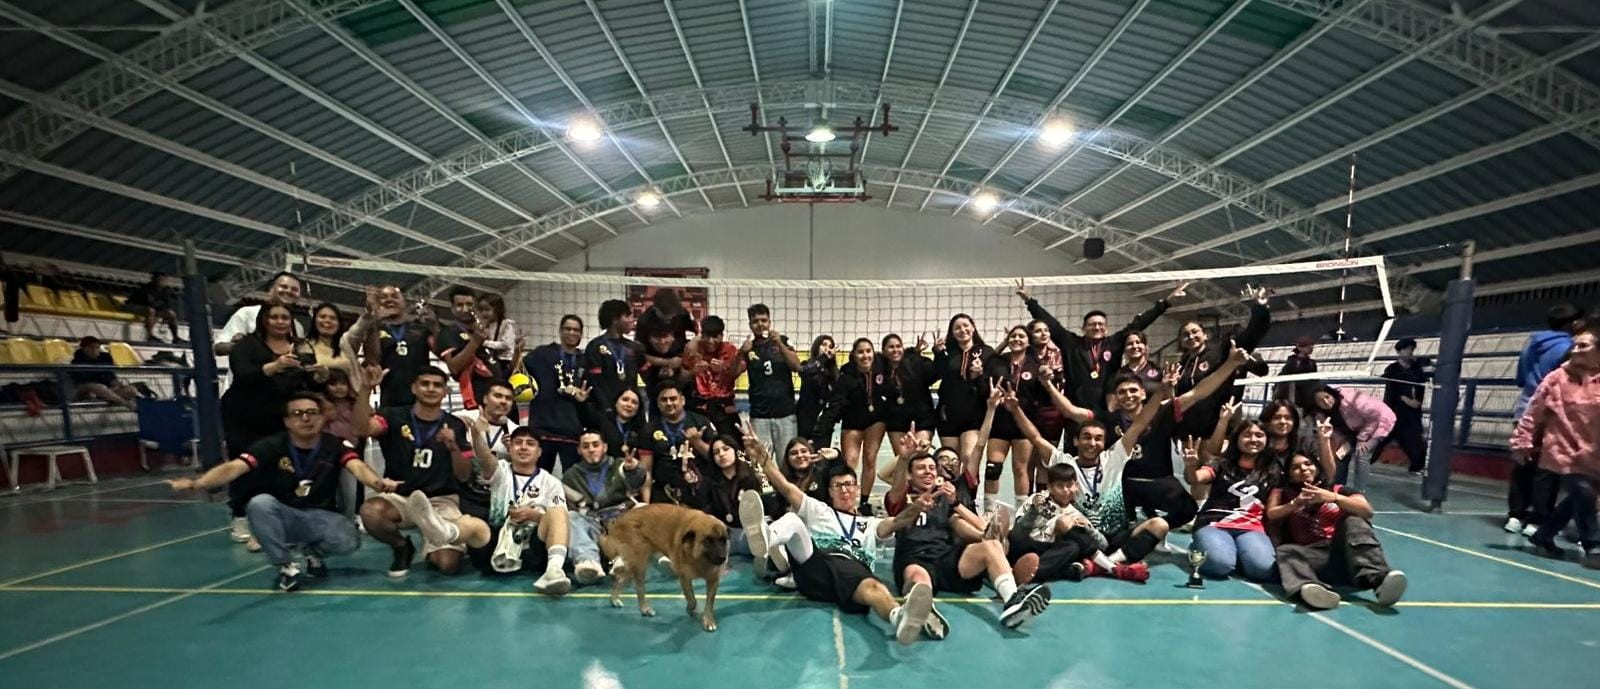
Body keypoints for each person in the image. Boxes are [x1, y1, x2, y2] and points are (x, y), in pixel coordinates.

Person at [168, 392, 393, 591]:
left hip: (319, 516)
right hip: (282, 516)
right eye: (298, 413)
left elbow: (357, 467)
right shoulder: (271, 446)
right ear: (287, 421)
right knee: (259, 504)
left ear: (322, 417)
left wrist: (377, 483)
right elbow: (234, 467)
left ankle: (313, 554)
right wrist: (199, 483)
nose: (306, 418)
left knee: (349, 540)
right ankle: (285, 566)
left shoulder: (333, 444)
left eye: (312, 412)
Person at [746, 438, 938, 646]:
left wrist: (916, 507)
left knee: (874, 587)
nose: (844, 490)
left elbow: (898, 521)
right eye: (838, 486)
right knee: (793, 520)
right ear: (829, 491)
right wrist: (763, 458)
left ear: (857, 489)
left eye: (848, 485)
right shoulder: (819, 510)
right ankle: (766, 538)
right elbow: (786, 487)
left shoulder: (870, 524)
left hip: (852, 571)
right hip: (814, 567)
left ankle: (898, 617)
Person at [886, 450, 1052, 634]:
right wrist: (903, 457)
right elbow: (896, 488)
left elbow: (980, 525)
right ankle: (924, 610)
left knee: (991, 546)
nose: (928, 472)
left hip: (945, 558)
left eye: (931, 468)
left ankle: (1013, 602)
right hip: (914, 558)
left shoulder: (943, 498)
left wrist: (955, 502)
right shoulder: (900, 498)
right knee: (918, 578)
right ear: (909, 475)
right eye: (921, 468)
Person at [352, 365, 491, 577]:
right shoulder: (393, 416)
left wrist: (453, 447)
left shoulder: (455, 425)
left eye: (437, 385)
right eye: (425, 383)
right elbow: (361, 429)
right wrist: (365, 390)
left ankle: (435, 539)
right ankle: (401, 547)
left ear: (445, 391)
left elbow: (463, 475)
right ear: (414, 388)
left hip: (440, 499)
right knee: (371, 512)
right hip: (402, 496)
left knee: (447, 566)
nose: (431, 389)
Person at [1015, 279, 1185, 414]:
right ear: (1083, 328)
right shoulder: (1071, 343)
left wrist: (1167, 302)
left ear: (1106, 328)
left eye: (1100, 324)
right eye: (1092, 324)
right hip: (1076, 407)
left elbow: (1139, 323)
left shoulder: (1115, 343)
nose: (1097, 327)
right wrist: (1029, 301)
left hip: (1108, 408)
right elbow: (1051, 323)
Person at [1268, 447, 1408, 610]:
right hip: (1316, 558)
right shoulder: (1285, 495)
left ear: (1316, 467)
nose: (1304, 469)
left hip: (1347, 553)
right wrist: (1295, 503)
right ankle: (1311, 591)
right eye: (1296, 467)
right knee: (1286, 551)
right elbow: (1272, 515)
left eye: (1308, 464)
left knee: (1353, 519)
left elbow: (1366, 510)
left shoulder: (1338, 489)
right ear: (1289, 474)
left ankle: (1379, 580)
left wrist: (1334, 498)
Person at [221, 303, 310, 551]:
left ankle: (273, 524)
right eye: (275, 317)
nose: (280, 322)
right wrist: (274, 366)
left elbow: (301, 381)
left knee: (279, 469)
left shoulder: (299, 346)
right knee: (245, 466)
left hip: (278, 417)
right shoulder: (247, 345)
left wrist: (315, 374)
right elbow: (243, 374)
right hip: (244, 416)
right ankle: (240, 517)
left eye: (285, 318)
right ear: (264, 320)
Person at [1510, 328, 1600, 568]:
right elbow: (1533, 412)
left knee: (1580, 497)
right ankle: (1594, 545)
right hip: (1562, 449)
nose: (1575, 350)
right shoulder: (1556, 378)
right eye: (1575, 345)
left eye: (1583, 346)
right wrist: (1522, 441)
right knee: (1584, 491)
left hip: (1594, 451)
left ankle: (1544, 534)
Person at [1504, 304, 1586, 535]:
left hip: (1524, 407)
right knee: (1547, 468)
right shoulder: (1570, 348)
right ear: (1573, 323)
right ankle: (1538, 520)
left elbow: (1521, 378)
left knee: (1523, 464)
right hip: (1551, 411)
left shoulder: (1531, 344)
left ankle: (1515, 515)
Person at [464, 425, 572, 595]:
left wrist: (536, 516)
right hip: (496, 544)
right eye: (518, 443)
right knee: (471, 523)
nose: (523, 447)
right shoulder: (500, 470)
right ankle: (443, 532)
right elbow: (485, 458)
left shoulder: (551, 482)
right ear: (510, 448)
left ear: (539, 452)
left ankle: (553, 571)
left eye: (530, 443)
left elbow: (560, 522)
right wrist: (476, 434)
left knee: (558, 512)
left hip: (532, 550)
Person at [1185, 416, 1282, 582]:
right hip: (1214, 523)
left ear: (1267, 440)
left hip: (1251, 528)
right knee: (1220, 566)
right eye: (1247, 435)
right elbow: (1194, 479)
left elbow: (1272, 510)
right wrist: (1191, 466)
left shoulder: (1273, 471)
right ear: (1236, 439)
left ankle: (1234, 553)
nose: (1253, 439)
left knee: (1262, 570)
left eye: (1259, 435)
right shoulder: (1221, 464)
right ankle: (1199, 547)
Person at [1172, 284, 1272, 437]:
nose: (1191, 337)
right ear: (1181, 341)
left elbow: (1252, 335)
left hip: (1215, 430)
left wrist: (1260, 307)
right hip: (1186, 433)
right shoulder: (1180, 366)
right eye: (1185, 335)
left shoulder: (1221, 351)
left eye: (1194, 332)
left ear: (1205, 335)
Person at [561, 430, 647, 584]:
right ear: (579, 450)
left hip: (621, 518)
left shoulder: (620, 465)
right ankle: (588, 563)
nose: (591, 449)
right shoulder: (570, 476)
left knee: (643, 508)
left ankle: (623, 560)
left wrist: (633, 470)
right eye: (586, 446)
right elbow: (573, 507)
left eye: (596, 445)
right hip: (593, 523)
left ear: (605, 447)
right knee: (571, 517)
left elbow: (636, 483)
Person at [984, 325, 1044, 506]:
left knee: (1020, 469)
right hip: (1000, 422)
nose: (1016, 339)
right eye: (1013, 336)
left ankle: (1020, 513)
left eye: (1021, 336)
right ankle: (988, 511)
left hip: (1023, 422)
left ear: (1028, 342)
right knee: (992, 468)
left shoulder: (1036, 365)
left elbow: (1041, 396)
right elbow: (985, 360)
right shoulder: (998, 361)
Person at [677, 434, 763, 558]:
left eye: (726, 449)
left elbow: (770, 502)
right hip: (725, 537)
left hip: (750, 533)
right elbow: (699, 505)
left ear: (736, 451)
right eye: (716, 452)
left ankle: (766, 563)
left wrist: (762, 473)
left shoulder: (753, 474)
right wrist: (688, 482)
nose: (721, 454)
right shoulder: (709, 481)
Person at [525, 315, 589, 473]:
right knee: (539, 476)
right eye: (567, 329)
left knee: (573, 479)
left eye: (576, 330)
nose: (572, 333)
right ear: (560, 331)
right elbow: (517, 373)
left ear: (581, 334)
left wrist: (584, 398)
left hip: (571, 430)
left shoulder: (585, 360)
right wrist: (515, 350)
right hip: (543, 427)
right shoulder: (541, 354)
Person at [634, 381, 714, 504]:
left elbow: (717, 458)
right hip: (664, 492)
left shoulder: (700, 422)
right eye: (664, 400)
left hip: (698, 490)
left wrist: (698, 443)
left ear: (682, 400)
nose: (669, 403)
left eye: (673, 399)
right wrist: (646, 504)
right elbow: (646, 471)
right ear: (658, 404)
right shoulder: (649, 429)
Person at [453, 380, 520, 520]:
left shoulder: (516, 432)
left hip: (495, 493)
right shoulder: (462, 418)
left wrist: (513, 453)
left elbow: (522, 470)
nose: (503, 401)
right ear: (485, 399)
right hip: (462, 487)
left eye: (508, 398)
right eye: (498, 396)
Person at [1307, 385, 1394, 492]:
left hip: (1380, 423)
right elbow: (1339, 433)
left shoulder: (1352, 399)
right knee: (1340, 455)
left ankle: (1359, 492)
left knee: (1361, 453)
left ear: (1332, 394)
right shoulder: (1323, 414)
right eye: (1320, 401)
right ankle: (1338, 488)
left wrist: (1362, 439)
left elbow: (1376, 417)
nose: (1325, 401)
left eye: (1327, 397)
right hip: (1354, 432)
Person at [361, 285, 436, 408]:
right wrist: (373, 319)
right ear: (378, 303)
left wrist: (434, 326)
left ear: (404, 301)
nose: (389, 300)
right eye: (383, 297)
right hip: (390, 400)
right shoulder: (375, 328)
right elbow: (373, 361)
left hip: (422, 398)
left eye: (395, 296)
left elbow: (440, 353)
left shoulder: (420, 326)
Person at [742, 304, 802, 453]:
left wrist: (780, 345)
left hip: (785, 414)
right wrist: (740, 353)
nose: (760, 324)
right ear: (750, 325)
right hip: (759, 415)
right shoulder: (749, 347)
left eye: (764, 320)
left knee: (787, 463)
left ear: (769, 322)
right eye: (755, 321)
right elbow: (732, 374)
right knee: (761, 465)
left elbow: (796, 366)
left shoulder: (783, 341)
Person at [837, 338, 887, 510]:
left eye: (868, 351)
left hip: (876, 419)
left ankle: (864, 502)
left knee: (870, 458)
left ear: (873, 353)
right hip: (852, 420)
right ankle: (847, 501)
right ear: (854, 355)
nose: (865, 355)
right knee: (849, 462)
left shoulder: (881, 366)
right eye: (860, 352)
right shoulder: (847, 373)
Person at [932, 314, 993, 452]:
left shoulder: (987, 352)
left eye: (966, 325)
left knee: (968, 457)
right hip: (948, 414)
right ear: (952, 333)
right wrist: (938, 354)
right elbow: (937, 374)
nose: (962, 330)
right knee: (950, 460)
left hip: (974, 414)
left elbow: (989, 384)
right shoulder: (947, 353)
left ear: (973, 328)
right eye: (957, 328)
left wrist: (979, 376)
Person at [683, 316, 743, 442]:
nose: (711, 341)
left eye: (715, 336)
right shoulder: (694, 349)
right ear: (702, 335)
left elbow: (736, 373)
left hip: (724, 404)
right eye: (707, 336)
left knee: (735, 444)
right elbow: (680, 378)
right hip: (699, 405)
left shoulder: (730, 350)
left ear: (722, 335)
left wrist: (724, 368)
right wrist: (694, 371)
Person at [214, 271, 303, 356]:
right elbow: (218, 348)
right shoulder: (247, 313)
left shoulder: (297, 326)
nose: (289, 291)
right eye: (284, 286)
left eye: (294, 289)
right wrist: (244, 346)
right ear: (271, 290)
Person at [436, 286, 493, 412]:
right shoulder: (448, 332)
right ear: (452, 308)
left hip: (500, 392)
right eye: (459, 305)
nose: (465, 309)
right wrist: (475, 342)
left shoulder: (484, 328)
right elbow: (454, 367)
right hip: (478, 397)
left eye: (469, 304)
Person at [879, 333, 936, 460]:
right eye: (891, 347)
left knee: (919, 456)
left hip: (922, 419)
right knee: (902, 459)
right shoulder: (880, 368)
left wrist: (937, 352)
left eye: (898, 346)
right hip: (897, 421)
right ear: (883, 351)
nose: (895, 350)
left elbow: (936, 372)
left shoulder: (915, 363)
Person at [1380, 338, 1432, 475]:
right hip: (1394, 412)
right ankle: (1363, 461)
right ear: (1400, 351)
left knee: (1415, 442)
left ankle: (1416, 467)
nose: (1410, 352)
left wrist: (1417, 402)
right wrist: (1405, 399)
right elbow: (1392, 390)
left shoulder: (1417, 368)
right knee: (1380, 440)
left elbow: (1422, 386)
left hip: (1412, 414)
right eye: (1407, 349)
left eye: (1412, 349)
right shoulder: (1392, 369)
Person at [585, 299, 643, 417]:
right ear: (615, 319)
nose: (632, 320)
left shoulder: (635, 347)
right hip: (605, 411)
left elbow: (647, 375)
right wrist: (606, 408)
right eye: (627, 316)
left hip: (630, 409)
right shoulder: (595, 346)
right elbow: (596, 383)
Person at [68, 336, 142, 411]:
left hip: (106, 390)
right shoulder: (77, 361)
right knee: (98, 387)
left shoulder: (105, 358)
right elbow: (82, 380)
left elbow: (109, 376)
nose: (94, 350)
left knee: (131, 390)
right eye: (91, 347)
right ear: (83, 348)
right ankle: (125, 403)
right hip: (84, 388)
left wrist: (116, 382)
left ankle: (105, 396)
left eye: (97, 348)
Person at [797, 335, 844, 447]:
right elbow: (805, 372)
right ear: (817, 346)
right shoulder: (806, 365)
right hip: (805, 421)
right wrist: (823, 358)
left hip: (824, 424)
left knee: (822, 458)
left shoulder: (835, 374)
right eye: (824, 345)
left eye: (830, 346)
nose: (827, 349)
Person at [297, 303, 354, 390]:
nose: (327, 321)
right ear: (314, 321)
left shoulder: (346, 345)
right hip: (318, 397)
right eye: (323, 317)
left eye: (333, 318)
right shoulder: (305, 347)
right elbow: (306, 378)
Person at [1103, 329, 1162, 408]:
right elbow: (1111, 407)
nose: (1134, 346)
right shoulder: (1116, 375)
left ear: (1146, 347)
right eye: (1129, 344)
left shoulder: (1159, 372)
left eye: (1138, 342)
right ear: (1124, 350)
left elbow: (1168, 399)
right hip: (1127, 419)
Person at [123, 272, 183, 343]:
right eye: (160, 279)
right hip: (132, 305)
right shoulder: (147, 288)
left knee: (171, 313)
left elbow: (168, 304)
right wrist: (159, 311)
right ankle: (149, 336)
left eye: (164, 279)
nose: (162, 281)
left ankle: (176, 337)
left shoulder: (166, 290)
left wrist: (164, 313)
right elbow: (150, 303)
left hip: (153, 308)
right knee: (151, 310)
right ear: (155, 279)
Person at [1272, 337, 1318, 410]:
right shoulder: (1293, 362)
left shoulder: (1312, 363)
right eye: (1308, 345)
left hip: (1307, 397)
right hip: (1293, 397)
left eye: (1312, 345)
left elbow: (1315, 380)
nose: (1311, 347)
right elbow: (1283, 379)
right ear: (1300, 348)